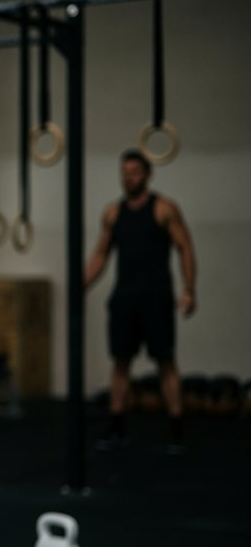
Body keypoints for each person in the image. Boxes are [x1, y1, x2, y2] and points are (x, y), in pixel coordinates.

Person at [85, 149, 196, 452]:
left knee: (165, 362)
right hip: (124, 299)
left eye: (134, 172)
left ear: (147, 175)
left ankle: (176, 429)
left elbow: (185, 247)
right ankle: (117, 426)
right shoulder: (113, 213)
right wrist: (81, 285)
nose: (128, 177)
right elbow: (100, 253)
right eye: (124, 172)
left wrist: (189, 289)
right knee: (120, 363)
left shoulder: (164, 209)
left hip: (157, 299)